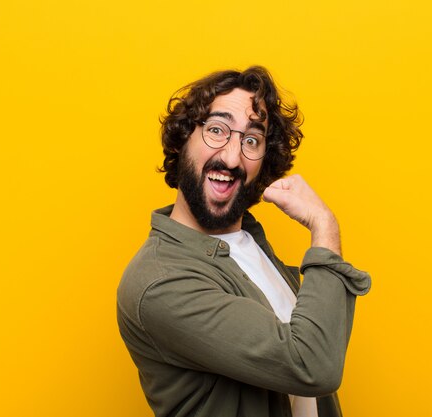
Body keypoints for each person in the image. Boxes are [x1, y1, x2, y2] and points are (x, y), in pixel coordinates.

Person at [117, 66, 371, 417]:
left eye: (251, 140)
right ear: (182, 140)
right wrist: (324, 226)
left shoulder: (248, 243)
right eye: (217, 130)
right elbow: (313, 364)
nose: (232, 157)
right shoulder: (159, 282)